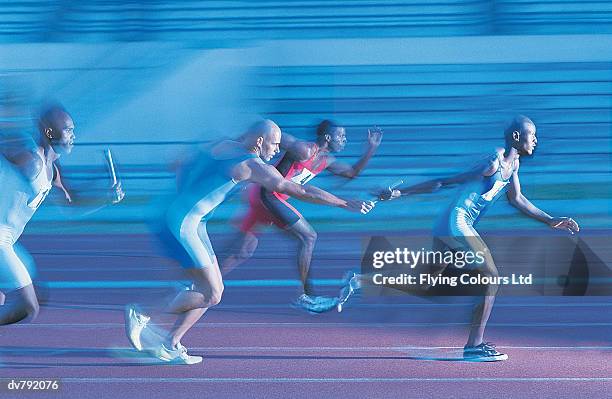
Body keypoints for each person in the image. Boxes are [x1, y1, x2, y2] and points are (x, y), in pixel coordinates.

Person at [125, 119, 375, 364]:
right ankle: (145, 311)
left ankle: (170, 344)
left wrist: (187, 188)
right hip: (185, 222)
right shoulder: (252, 165)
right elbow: (299, 191)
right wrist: (345, 203)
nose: (278, 150)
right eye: (274, 145)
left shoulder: (223, 144)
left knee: (213, 287)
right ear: (259, 141)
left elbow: (179, 163)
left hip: (194, 221)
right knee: (212, 293)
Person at [340, 115, 579, 361]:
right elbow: (446, 181)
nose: (536, 140)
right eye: (532, 135)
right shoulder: (493, 162)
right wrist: (399, 193)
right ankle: (474, 346)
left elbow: (517, 199)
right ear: (517, 137)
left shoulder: (514, 164)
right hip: (457, 221)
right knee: (491, 276)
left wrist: (549, 220)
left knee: (426, 283)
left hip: (453, 224)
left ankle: (360, 281)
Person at [222, 120, 382, 312]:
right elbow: (274, 137)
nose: (345, 140)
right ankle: (306, 296)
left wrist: (371, 148)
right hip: (268, 196)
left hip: (263, 197)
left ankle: (198, 281)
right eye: (341, 136)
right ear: (328, 137)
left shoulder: (326, 160)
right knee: (308, 237)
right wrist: (234, 144)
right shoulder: (304, 150)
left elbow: (351, 173)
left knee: (243, 250)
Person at [0, 104, 123, 325]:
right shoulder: (31, 159)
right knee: (29, 306)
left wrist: (105, 196)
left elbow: (72, 203)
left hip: (9, 241)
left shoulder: (53, 170)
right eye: (68, 130)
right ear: (49, 132)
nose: (73, 136)